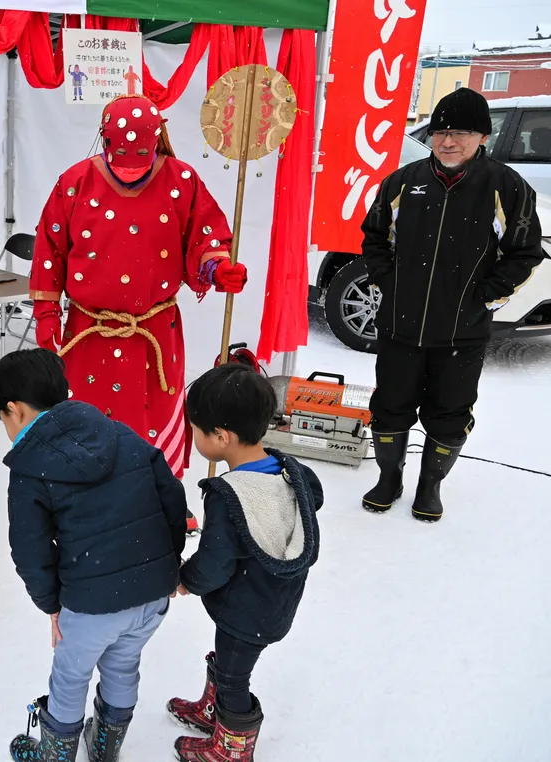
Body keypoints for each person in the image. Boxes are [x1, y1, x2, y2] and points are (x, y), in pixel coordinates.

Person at [29, 93, 247, 534]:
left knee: (155, 417)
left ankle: (162, 497)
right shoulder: (74, 182)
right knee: (86, 419)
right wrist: (47, 312)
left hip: (154, 331)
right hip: (87, 334)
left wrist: (216, 266)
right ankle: (86, 501)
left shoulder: (182, 180)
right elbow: (49, 248)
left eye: (142, 157)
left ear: (158, 140)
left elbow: (205, 235)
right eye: (121, 156)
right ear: (105, 140)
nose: (131, 168)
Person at [0, 348, 187, 762]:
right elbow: (172, 497)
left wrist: (51, 603)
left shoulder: (30, 468)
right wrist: (164, 567)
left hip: (90, 605)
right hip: (152, 596)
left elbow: (29, 549)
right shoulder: (119, 433)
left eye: (3, 420)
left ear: (16, 410)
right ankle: (105, 746)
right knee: (122, 664)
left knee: (71, 676)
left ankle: (56, 754)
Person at [360, 88, 544, 522]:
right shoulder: (402, 182)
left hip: (462, 333)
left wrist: (485, 298)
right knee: (389, 407)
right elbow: (374, 238)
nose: (447, 141)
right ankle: (389, 477)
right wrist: (392, 284)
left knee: (450, 414)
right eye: (441, 131)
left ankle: (430, 485)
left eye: (460, 132)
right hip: (400, 328)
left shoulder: (507, 187)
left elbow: (525, 253)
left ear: (482, 136)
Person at [167, 364, 322, 762]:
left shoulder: (232, 496)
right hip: (273, 599)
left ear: (221, 437)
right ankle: (212, 713)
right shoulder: (291, 472)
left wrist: (185, 579)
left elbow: (215, 561)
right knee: (228, 658)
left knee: (235, 677)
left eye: (197, 430)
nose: (195, 436)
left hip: (247, 610)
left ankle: (231, 749)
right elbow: (313, 499)